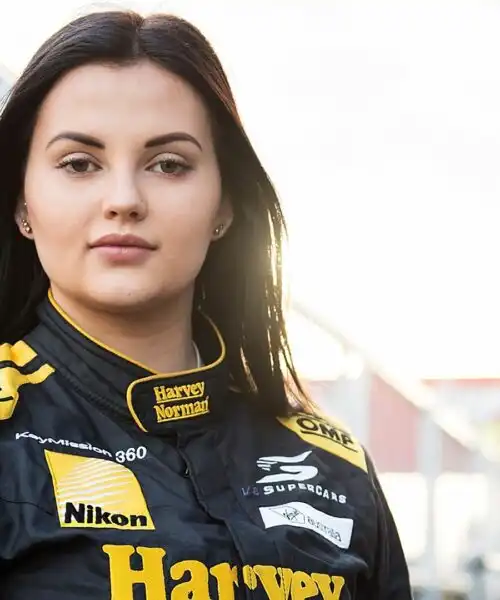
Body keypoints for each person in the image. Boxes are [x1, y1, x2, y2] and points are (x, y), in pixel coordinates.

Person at [0, 10, 412, 599]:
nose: (123, 199)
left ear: (224, 205)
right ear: (22, 203)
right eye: (79, 164)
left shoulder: (332, 463)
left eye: (168, 164)